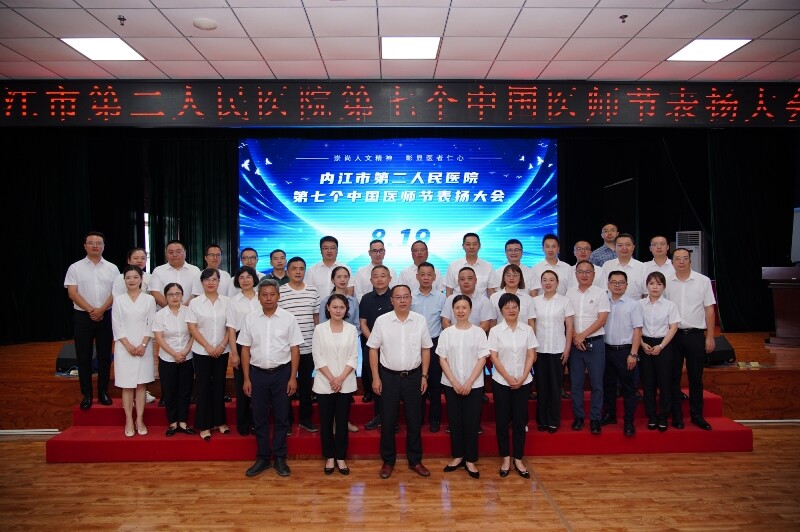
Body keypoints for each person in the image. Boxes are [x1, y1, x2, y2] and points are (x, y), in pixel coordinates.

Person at [368, 285, 433, 479]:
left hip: (414, 377)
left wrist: (424, 376)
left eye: (406, 297)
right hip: (388, 377)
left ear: (411, 299)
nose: (402, 300)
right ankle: (388, 461)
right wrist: (376, 377)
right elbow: (373, 349)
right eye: (398, 297)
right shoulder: (382, 321)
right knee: (388, 421)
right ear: (392, 300)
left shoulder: (420, 320)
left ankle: (415, 461)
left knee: (414, 420)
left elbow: (426, 349)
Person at [240, 279, 303, 478]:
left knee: (282, 418)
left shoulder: (288, 318)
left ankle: (280, 458)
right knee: (259, 418)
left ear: (278, 296)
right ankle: (263, 458)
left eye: (272, 294)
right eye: (264, 295)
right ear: (258, 297)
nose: (268, 298)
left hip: (282, 374)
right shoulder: (250, 318)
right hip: (257, 374)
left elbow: (295, 349)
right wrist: (246, 378)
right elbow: (245, 349)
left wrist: (293, 377)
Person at [64, 231, 119, 410]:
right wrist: (91, 310)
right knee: (83, 356)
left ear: (104, 246)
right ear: (85, 246)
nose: (95, 246)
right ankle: (87, 394)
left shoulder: (112, 268)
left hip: (106, 315)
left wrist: (101, 310)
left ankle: (103, 392)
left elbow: (116, 293)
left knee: (105, 356)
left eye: (99, 243)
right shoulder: (75, 268)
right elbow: (72, 293)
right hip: (83, 317)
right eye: (91, 243)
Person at [664, 248, 717, 431]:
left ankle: (697, 415)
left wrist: (710, 336)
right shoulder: (666, 282)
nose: (681, 262)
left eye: (685, 258)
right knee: (673, 377)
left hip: (695, 335)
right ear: (672, 261)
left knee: (696, 377)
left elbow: (709, 310)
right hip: (673, 336)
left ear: (690, 261)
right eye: (677, 259)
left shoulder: (703, 281)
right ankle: (676, 416)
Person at [437, 295, 489, 479]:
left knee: (472, 422)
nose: (460, 311)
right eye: (457, 307)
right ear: (453, 310)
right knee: (455, 421)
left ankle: (470, 460)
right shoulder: (446, 333)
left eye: (464, 307)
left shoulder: (479, 332)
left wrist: (468, 383)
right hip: (451, 384)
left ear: (470, 310)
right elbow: (442, 359)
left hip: (474, 385)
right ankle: (458, 456)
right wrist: (454, 382)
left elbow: (482, 358)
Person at [489, 293, 537, 479]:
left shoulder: (527, 330)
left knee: (519, 421)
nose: (511, 310)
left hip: (523, 382)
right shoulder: (495, 331)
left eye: (514, 307)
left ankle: (518, 458)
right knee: (502, 421)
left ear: (519, 309)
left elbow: (531, 355)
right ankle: (505, 458)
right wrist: (508, 377)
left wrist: (524, 376)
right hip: (502, 382)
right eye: (507, 307)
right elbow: (494, 357)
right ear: (501, 310)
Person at [312, 294, 359, 475]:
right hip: (325, 383)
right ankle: (329, 457)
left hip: (345, 383)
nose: (338, 310)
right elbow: (318, 357)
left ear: (346, 309)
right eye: (335, 307)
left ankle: (340, 457)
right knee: (325, 422)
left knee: (341, 422)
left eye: (342, 307)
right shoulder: (320, 329)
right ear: (328, 308)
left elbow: (353, 357)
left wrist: (340, 379)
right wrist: (332, 379)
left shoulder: (351, 329)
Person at [112, 265, 156, 437]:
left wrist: (143, 344)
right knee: (127, 385)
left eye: (135, 277)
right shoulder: (119, 300)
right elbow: (116, 325)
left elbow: (151, 323)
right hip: (124, 348)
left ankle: (140, 419)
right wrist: (128, 345)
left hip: (144, 346)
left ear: (141, 279)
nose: (131, 280)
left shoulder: (149, 299)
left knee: (141, 385)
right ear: (124, 280)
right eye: (128, 277)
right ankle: (129, 419)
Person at [186, 268, 231, 441]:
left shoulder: (227, 302)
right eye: (207, 279)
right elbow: (192, 327)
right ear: (202, 282)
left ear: (219, 281)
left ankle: (220, 421)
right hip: (201, 351)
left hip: (222, 350)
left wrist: (221, 345)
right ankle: (204, 425)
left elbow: (230, 327)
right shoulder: (195, 303)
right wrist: (207, 346)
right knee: (203, 387)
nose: (211, 282)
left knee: (219, 386)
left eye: (214, 279)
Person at [565, 260, 609, 434]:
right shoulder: (569, 293)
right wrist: (576, 337)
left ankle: (595, 418)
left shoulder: (601, 293)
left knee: (597, 383)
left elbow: (602, 319)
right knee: (576, 383)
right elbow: (567, 318)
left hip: (595, 342)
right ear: (575, 274)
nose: (584, 275)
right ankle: (579, 417)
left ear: (594, 274)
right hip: (575, 343)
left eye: (588, 272)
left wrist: (582, 335)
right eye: (581, 272)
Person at [279, 256, 320, 433]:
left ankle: (305, 419)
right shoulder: (280, 291)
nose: (298, 272)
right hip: (285, 349)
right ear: (287, 271)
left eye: (301, 268)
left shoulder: (312, 290)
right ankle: (286, 422)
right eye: (294, 268)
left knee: (305, 385)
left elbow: (316, 318)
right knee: (285, 387)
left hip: (308, 347)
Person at [600, 271, 643, 437]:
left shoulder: (633, 304)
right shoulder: (603, 302)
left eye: (621, 282)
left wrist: (633, 354)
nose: (617, 285)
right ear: (608, 284)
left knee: (628, 388)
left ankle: (628, 421)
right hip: (605, 349)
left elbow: (637, 330)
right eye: (614, 282)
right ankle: (610, 415)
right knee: (608, 385)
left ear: (626, 285)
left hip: (625, 351)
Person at [318, 265, 360, 434]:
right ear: (332, 279)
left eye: (345, 277)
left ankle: (343, 421)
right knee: (330, 390)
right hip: (329, 349)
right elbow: (322, 324)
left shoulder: (354, 301)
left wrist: (349, 339)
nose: (342, 280)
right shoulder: (325, 301)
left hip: (347, 348)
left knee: (345, 393)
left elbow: (356, 324)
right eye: (339, 277)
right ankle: (332, 423)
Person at [531, 270, 574, 433]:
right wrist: (532, 349)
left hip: (558, 349)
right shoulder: (535, 301)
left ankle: (553, 420)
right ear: (541, 283)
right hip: (540, 349)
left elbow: (569, 326)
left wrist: (567, 348)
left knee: (555, 387)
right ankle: (542, 420)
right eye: (544, 280)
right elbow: (532, 326)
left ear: (557, 283)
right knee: (541, 386)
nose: (548, 282)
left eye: (551, 280)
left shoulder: (565, 301)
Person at [638, 271, 680, 432]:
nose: (655, 287)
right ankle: (651, 416)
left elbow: (673, 327)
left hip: (664, 344)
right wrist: (642, 344)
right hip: (644, 344)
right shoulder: (639, 304)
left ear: (664, 287)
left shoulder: (670, 305)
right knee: (647, 382)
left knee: (665, 382)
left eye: (659, 284)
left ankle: (663, 416)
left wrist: (661, 346)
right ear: (647, 286)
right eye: (651, 283)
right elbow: (635, 327)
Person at [152, 282, 195, 436]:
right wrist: (174, 354)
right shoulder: (160, 315)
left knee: (185, 391)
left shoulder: (189, 312)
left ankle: (183, 422)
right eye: (170, 294)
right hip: (167, 358)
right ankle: (172, 423)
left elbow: (194, 334)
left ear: (182, 295)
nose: (174, 297)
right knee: (170, 392)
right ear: (166, 297)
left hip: (187, 357)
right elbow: (159, 338)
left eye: (177, 294)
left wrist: (184, 352)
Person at [411, 262, 446, 433]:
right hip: (414, 345)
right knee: (416, 383)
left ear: (434, 277)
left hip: (434, 343)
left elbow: (444, 322)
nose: (426, 277)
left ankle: (434, 418)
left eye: (429, 274)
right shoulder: (410, 296)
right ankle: (417, 417)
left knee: (435, 383)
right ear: (417, 276)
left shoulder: (441, 298)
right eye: (422, 274)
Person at [226, 266, 260, 436]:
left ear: (254, 278)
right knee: (243, 385)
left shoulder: (262, 297)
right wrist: (234, 353)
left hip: (260, 342)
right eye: (241, 277)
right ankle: (243, 423)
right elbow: (231, 329)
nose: (245, 280)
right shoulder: (233, 301)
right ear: (237, 281)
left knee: (259, 385)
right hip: (240, 342)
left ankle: (257, 423)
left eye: (248, 276)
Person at [359, 265, 394, 427]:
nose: (379, 279)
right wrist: (375, 341)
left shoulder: (396, 297)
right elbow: (363, 323)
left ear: (390, 278)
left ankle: (392, 419)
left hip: (392, 348)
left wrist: (387, 343)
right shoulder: (366, 299)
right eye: (376, 276)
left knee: (391, 384)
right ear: (371, 279)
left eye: (383, 275)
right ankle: (379, 416)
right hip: (372, 347)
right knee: (376, 381)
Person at [150, 240, 201, 308]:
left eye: (178, 251)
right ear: (166, 254)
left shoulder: (195, 270)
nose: (174, 255)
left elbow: (196, 293)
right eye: (171, 252)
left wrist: (183, 309)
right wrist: (171, 308)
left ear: (185, 253)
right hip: (164, 312)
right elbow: (155, 293)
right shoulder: (158, 271)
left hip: (190, 311)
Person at [441, 267, 493, 333]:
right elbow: (445, 322)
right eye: (462, 279)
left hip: (475, 337)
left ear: (475, 280)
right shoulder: (450, 299)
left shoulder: (484, 301)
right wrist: (455, 335)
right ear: (458, 282)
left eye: (470, 278)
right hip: (453, 336)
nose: (466, 282)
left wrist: (468, 336)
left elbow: (485, 325)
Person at [444, 233, 494, 297]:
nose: (471, 247)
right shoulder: (453, 266)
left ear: (479, 246)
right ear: (463, 246)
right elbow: (449, 290)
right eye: (468, 244)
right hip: (459, 302)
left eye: (474, 244)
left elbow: (491, 291)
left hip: (481, 303)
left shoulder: (488, 266)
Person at [601, 233, 647, 300]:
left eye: (628, 245)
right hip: (611, 305)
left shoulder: (642, 267)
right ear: (615, 247)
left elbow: (646, 293)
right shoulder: (607, 265)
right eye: (620, 245)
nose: (624, 248)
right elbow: (603, 290)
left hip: (635, 305)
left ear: (633, 247)